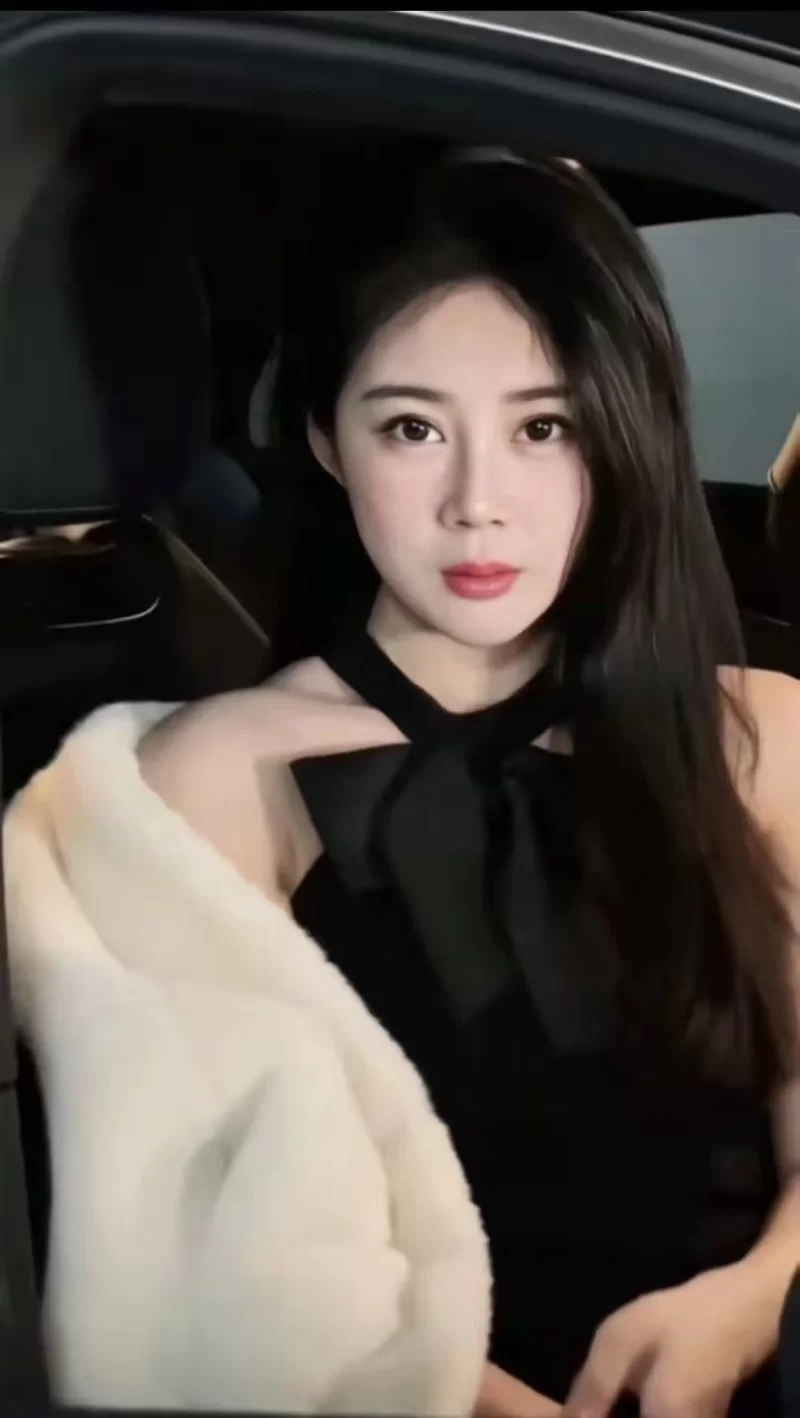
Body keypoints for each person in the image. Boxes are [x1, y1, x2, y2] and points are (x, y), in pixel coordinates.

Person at [7, 150, 800, 1418]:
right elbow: (245, 1261)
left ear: (623, 434)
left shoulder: (759, 732)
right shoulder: (209, 778)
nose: (477, 504)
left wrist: (752, 1295)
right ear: (327, 440)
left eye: (542, 427)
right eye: (412, 428)